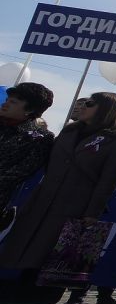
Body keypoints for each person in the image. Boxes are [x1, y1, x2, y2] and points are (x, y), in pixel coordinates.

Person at [0, 92, 116, 300]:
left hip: (75, 206)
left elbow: (109, 179)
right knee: (27, 248)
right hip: (44, 199)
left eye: (89, 104)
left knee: (55, 256)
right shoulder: (70, 130)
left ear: (106, 109)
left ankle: (44, 296)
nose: (82, 107)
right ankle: (18, 290)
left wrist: (93, 211)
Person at [0, 82, 56, 231]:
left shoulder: (40, 137)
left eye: (13, 102)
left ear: (30, 109)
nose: (5, 105)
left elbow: (22, 171)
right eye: (6, 100)